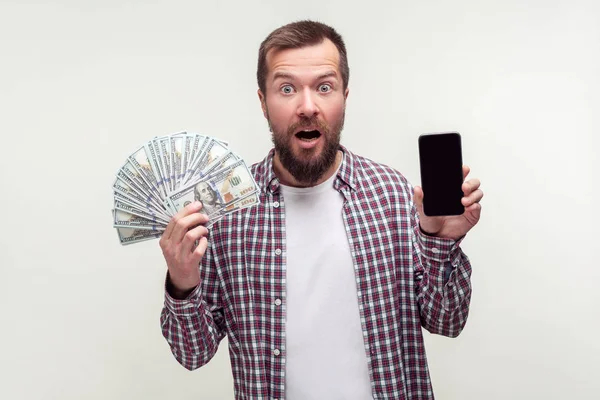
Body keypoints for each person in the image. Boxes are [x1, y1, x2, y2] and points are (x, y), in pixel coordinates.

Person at [158, 20, 484, 400]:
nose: (307, 106)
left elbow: (448, 321)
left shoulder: (394, 194)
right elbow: (192, 353)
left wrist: (439, 241)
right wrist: (182, 280)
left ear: (344, 96)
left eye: (324, 87)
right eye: (287, 88)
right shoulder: (224, 211)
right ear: (263, 102)